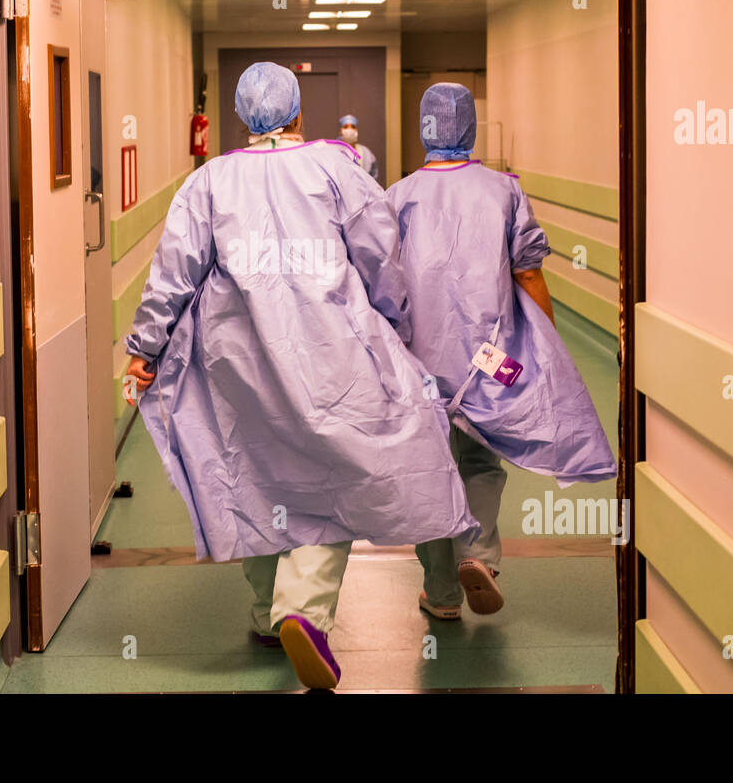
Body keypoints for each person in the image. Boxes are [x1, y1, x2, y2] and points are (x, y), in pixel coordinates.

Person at [124, 63, 478, 689]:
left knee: (253, 473)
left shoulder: (209, 182)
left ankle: (266, 612)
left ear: (243, 115)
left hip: (237, 359)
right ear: (295, 115)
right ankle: (302, 611)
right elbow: (379, 254)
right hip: (330, 351)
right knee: (336, 471)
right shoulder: (336, 169)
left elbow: (173, 272)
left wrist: (145, 347)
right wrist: (394, 326)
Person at [385, 82, 616, 620]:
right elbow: (528, 270)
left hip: (418, 359)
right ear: (468, 127)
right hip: (488, 356)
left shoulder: (396, 197)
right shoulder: (503, 191)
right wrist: (546, 344)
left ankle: (440, 594)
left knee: (428, 468)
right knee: (481, 460)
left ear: (424, 128)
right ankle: (479, 555)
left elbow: (381, 284)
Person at [339, 114, 379, 180]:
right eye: (346, 127)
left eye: (353, 126)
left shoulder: (365, 152)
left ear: (356, 130)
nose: (350, 129)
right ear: (340, 131)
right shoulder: (335, 151)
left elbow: (373, 176)